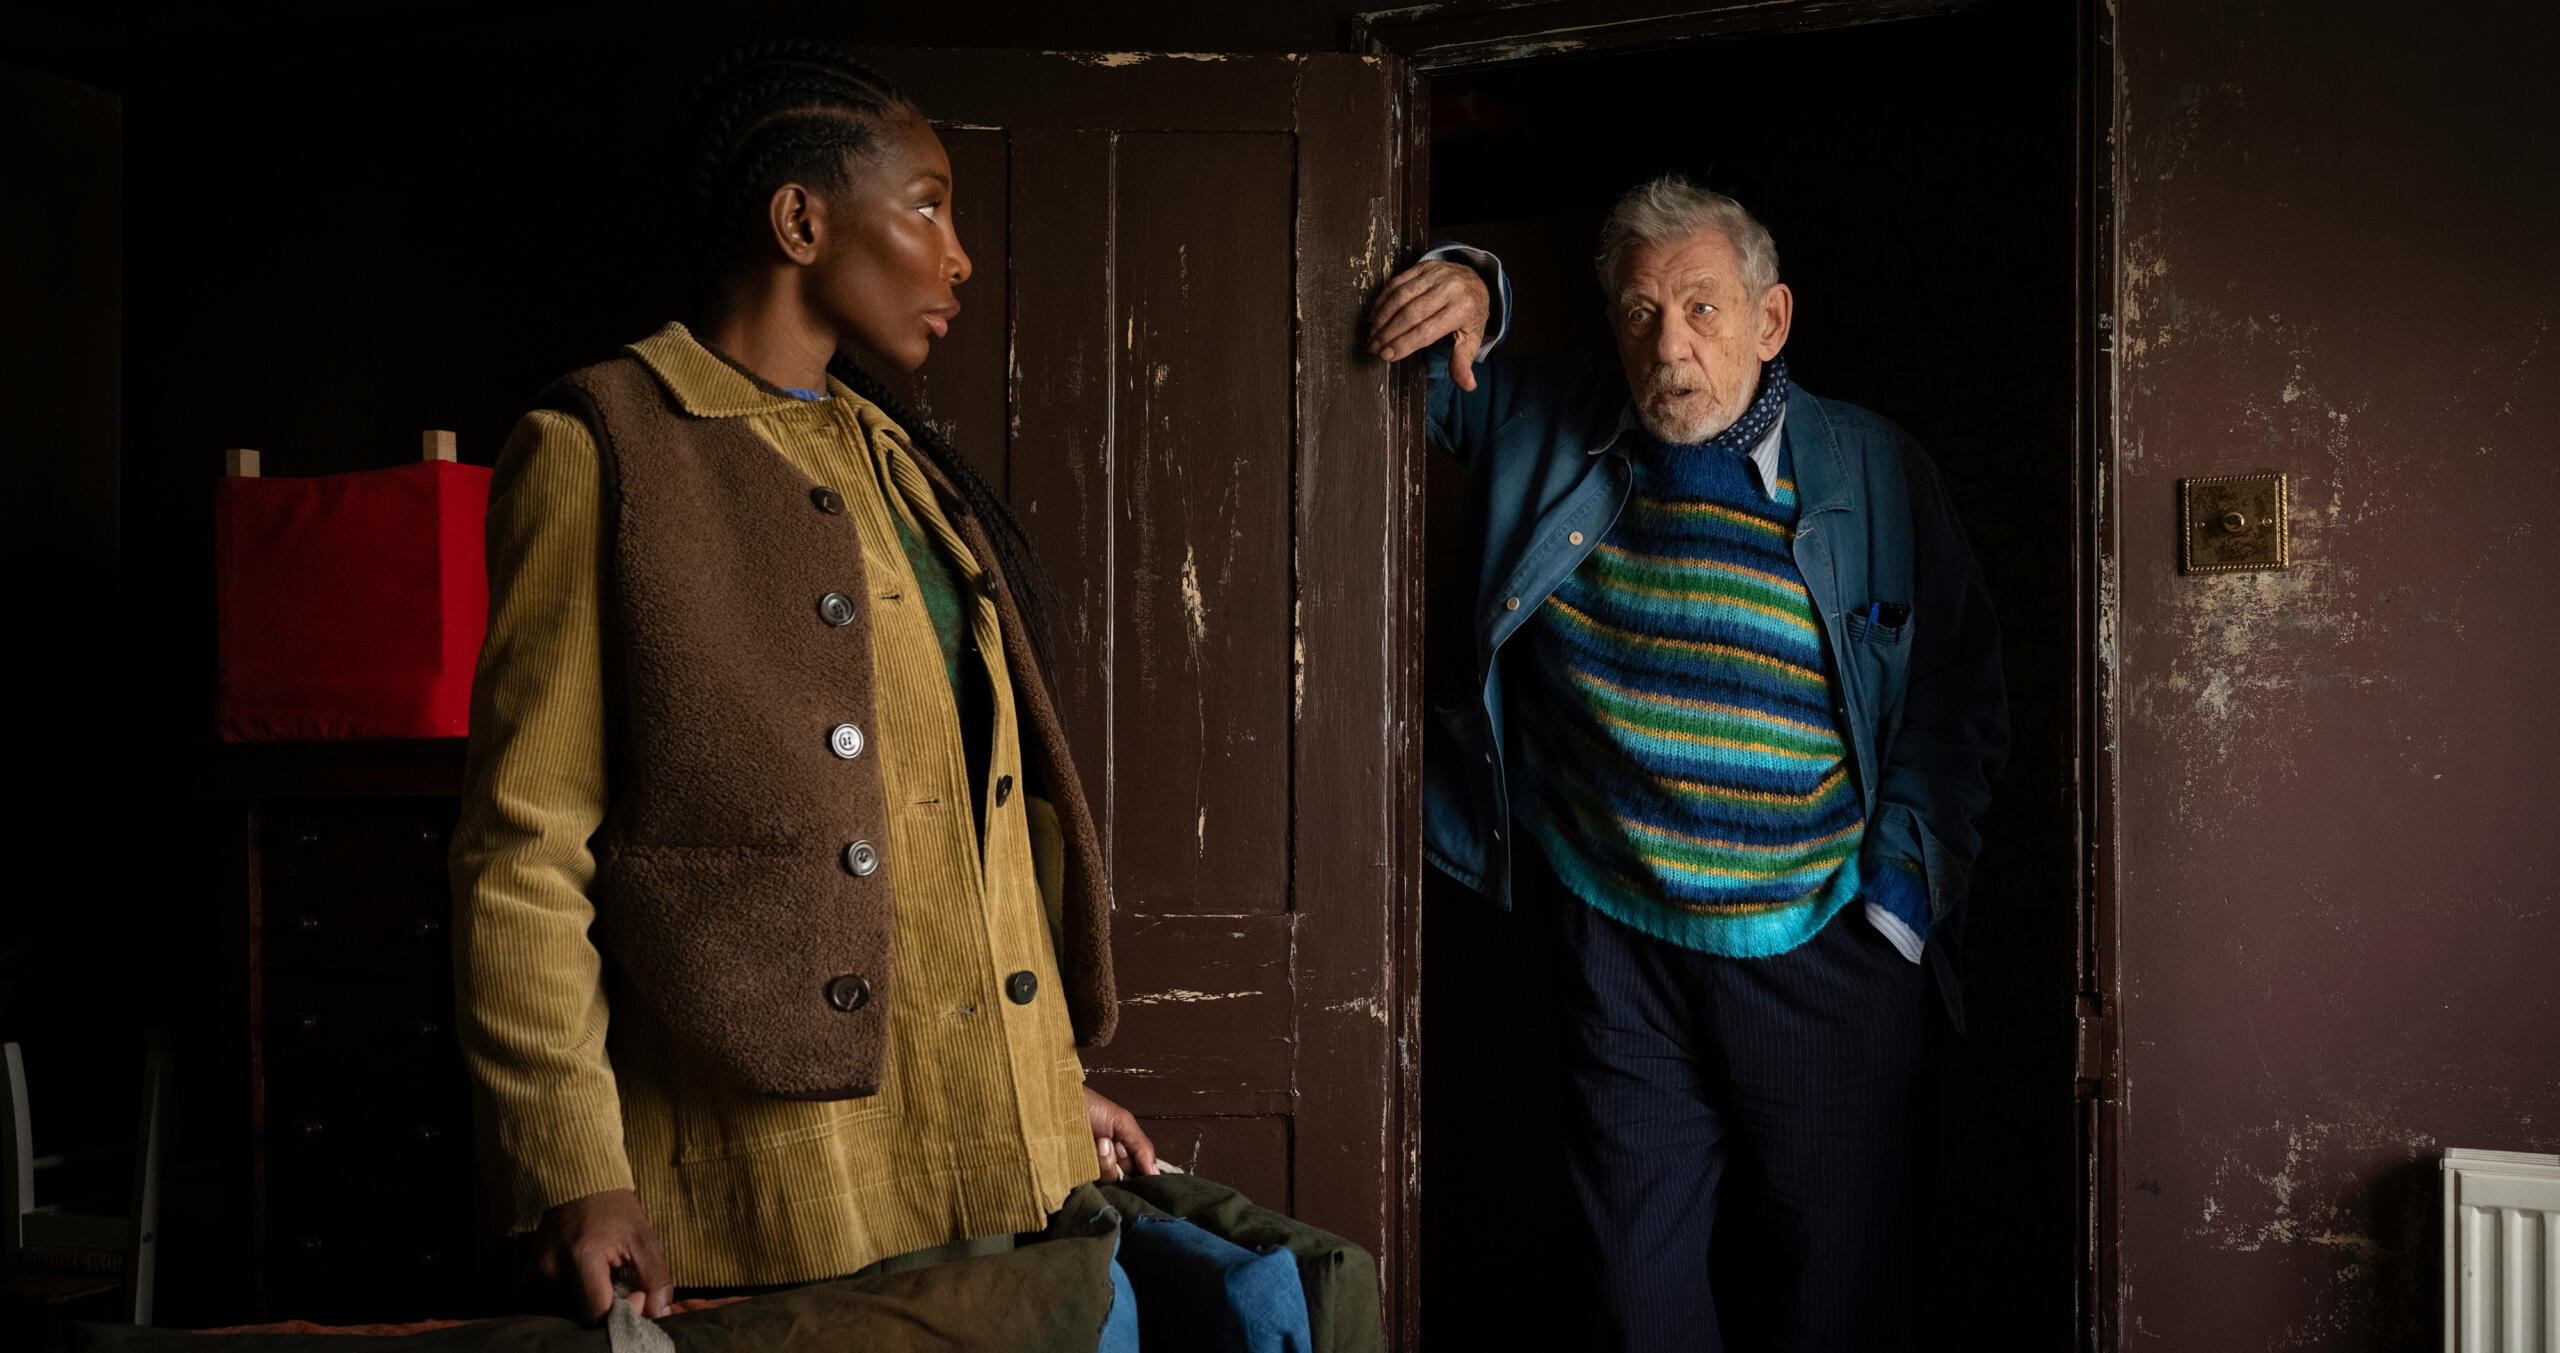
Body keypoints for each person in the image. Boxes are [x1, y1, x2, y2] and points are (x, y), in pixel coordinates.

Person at [449, 39, 1155, 1323]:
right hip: (768, 1194)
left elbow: (964, 840)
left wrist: (1042, 1085)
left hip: (987, 1176)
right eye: (929, 204)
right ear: (799, 217)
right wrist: (573, 1169)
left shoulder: (897, 461)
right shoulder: (600, 445)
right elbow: (524, 850)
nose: (960, 257)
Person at [1366, 176, 2009, 1350]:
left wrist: (1899, 901)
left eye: (1704, 310)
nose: (1671, 349)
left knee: (1835, 1295)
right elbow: (1385, 354)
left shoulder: (1871, 468)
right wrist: (1473, 281)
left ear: (1770, 322)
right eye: (1640, 314)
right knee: (1635, 1294)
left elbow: (1960, 694)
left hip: (1822, 941)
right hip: (1616, 939)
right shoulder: (1543, 422)